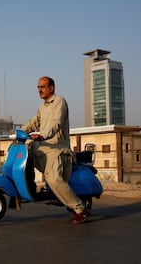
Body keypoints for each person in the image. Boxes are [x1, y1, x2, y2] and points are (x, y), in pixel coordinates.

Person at [22, 76, 88, 224]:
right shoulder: (42, 107)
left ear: (51, 88)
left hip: (57, 148)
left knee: (54, 179)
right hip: (44, 146)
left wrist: (42, 135)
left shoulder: (59, 102)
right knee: (25, 154)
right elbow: (33, 122)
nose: (40, 90)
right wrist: (19, 132)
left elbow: (56, 124)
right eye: (38, 87)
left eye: (43, 87)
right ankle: (29, 188)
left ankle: (80, 209)